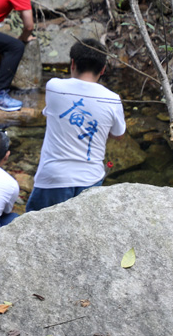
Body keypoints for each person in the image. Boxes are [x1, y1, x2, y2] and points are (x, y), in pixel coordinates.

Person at [26, 39, 126, 212]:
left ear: (72, 63)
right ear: (102, 70)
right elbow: (118, 134)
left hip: (54, 178)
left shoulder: (54, 87)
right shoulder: (112, 99)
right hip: (91, 179)